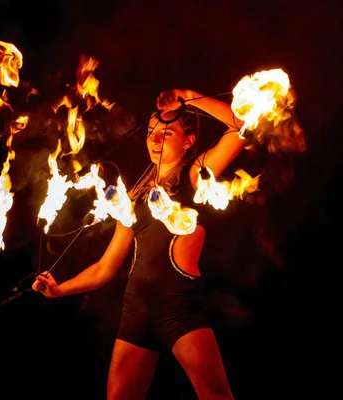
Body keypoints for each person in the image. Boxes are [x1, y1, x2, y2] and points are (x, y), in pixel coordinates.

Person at [32, 89, 246, 399]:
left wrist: (188, 97)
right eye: (151, 132)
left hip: (179, 308)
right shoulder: (133, 195)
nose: (155, 139)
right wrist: (60, 289)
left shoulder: (197, 176)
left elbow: (241, 125)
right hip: (137, 310)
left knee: (216, 396)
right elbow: (106, 266)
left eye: (166, 132)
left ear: (187, 141)